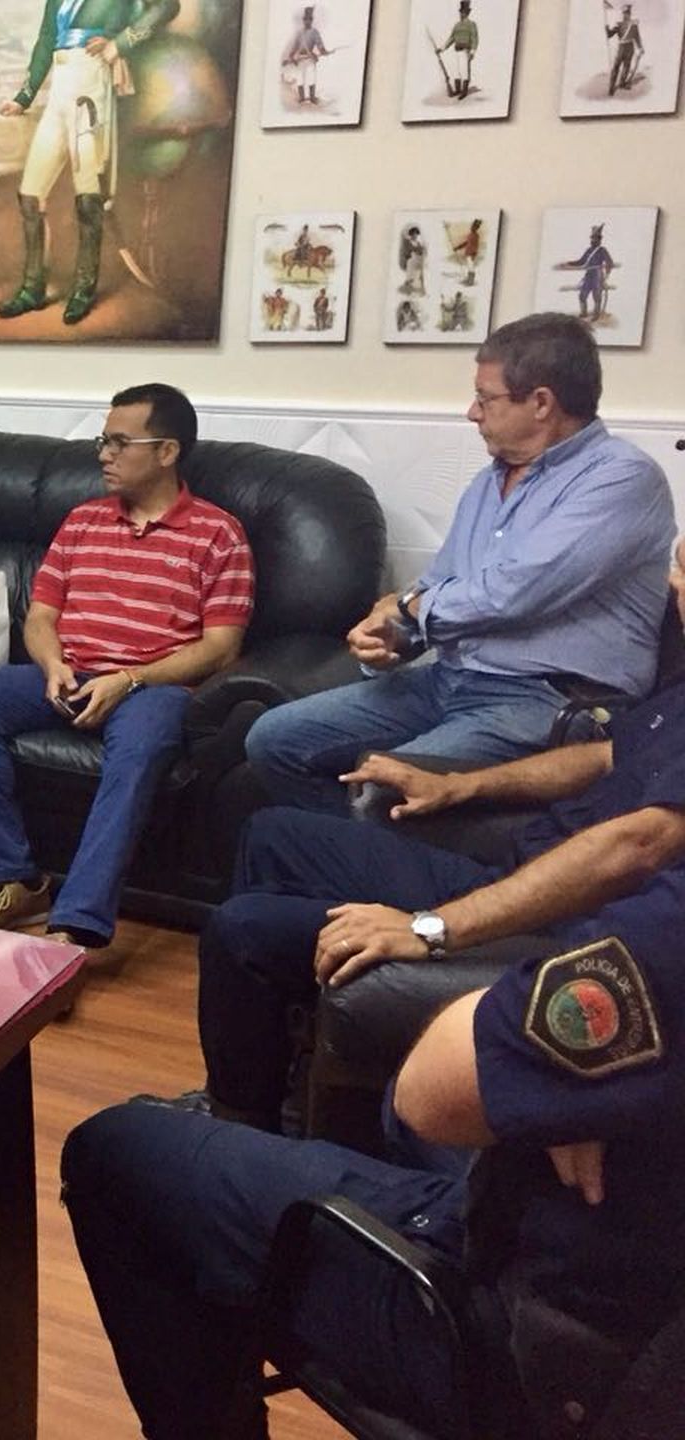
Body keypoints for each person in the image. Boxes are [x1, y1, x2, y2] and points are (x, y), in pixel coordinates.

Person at [65, 919, 685, 1437]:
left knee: (114, 1154)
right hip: (629, 1289)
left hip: (556, 1361)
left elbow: (423, 1095)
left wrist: (557, 1079)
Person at [192, 535, 685, 1133]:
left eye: (684, 570)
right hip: (516, 870)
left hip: (561, 927)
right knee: (272, 834)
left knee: (242, 929)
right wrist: (463, 785)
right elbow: (604, 756)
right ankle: (289, 1071)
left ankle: (239, 1121)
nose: (670, 584)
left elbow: (639, 845)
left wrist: (430, 928)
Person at [245, 313, 673, 815]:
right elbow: (441, 585)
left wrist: (406, 606)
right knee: (273, 739)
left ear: (541, 403)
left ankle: (364, 854)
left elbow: (512, 593)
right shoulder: (488, 483)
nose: (472, 413)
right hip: (449, 678)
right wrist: (395, 639)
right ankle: (337, 855)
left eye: (485, 399)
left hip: (550, 699)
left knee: (388, 787)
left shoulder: (622, 479)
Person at [0, 383, 252, 943]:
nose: (104, 454)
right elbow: (40, 617)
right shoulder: (82, 520)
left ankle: (77, 924)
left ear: (167, 451)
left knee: (138, 750)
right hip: (68, 673)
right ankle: (15, 880)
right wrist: (52, 664)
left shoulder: (219, 535)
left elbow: (221, 648)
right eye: (102, 442)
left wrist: (128, 679)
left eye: (119, 443)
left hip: (152, 687)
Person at [0, 0, 177, 324]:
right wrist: (23, 97)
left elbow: (167, 6)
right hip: (59, 93)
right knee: (30, 195)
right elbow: (46, 40)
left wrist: (119, 44)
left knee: (88, 196)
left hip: (91, 87)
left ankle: (83, 288)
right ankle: (32, 289)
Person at [564, 223, 617, 321]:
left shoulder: (602, 250)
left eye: (596, 238)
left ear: (599, 240)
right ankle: (584, 313)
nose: (593, 240)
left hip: (597, 274)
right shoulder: (589, 250)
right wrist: (569, 263)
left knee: (596, 296)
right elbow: (581, 261)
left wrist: (606, 274)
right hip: (589, 274)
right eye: (592, 238)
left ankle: (596, 315)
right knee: (582, 295)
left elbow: (609, 262)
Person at [282, 5, 328, 106]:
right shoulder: (299, 33)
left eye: (309, 19)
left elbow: (319, 43)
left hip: (310, 58)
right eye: (305, 20)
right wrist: (291, 56)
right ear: (303, 20)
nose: (307, 21)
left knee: (311, 77)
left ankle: (312, 98)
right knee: (300, 78)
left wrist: (323, 50)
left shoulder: (314, 32)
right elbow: (295, 46)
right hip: (300, 58)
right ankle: (302, 98)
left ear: (311, 20)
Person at [441, 0, 478, 98]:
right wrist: (442, 48)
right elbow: (451, 38)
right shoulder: (457, 25)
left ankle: (464, 92)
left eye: (464, 12)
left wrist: (472, 52)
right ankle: (457, 90)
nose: (462, 14)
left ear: (467, 13)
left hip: (465, 51)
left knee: (464, 71)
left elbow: (474, 38)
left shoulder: (471, 24)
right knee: (456, 71)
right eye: (461, 12)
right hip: (456, 50)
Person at [607, 4, 643, 95]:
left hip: (630, 47)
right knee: (616, 67)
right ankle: (611, 88)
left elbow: (637, 37)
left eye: (627, 13)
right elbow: (610, 35)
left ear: (629, 14)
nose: (625, 15)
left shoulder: (634, 25)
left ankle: (622, 83)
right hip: (621, 47)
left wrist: (640, 47)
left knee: (626, 66)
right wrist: (607, 29)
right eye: (624, 13)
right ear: (622, 14)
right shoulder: (618, 24)